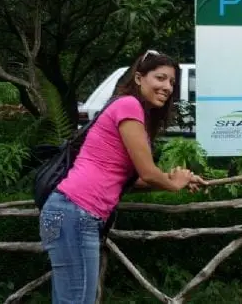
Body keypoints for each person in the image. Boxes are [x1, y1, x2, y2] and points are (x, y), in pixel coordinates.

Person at [38, 50, 207, 303]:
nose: (167, 87)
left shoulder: (133, 111)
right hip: (76, 212)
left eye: (171, 82)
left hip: (69, 213)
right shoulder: (128, 105)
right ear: (139, 78)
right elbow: (149, 173)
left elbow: (128, 179)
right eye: (160, 78)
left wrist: (177, 181)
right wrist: (173, 184)